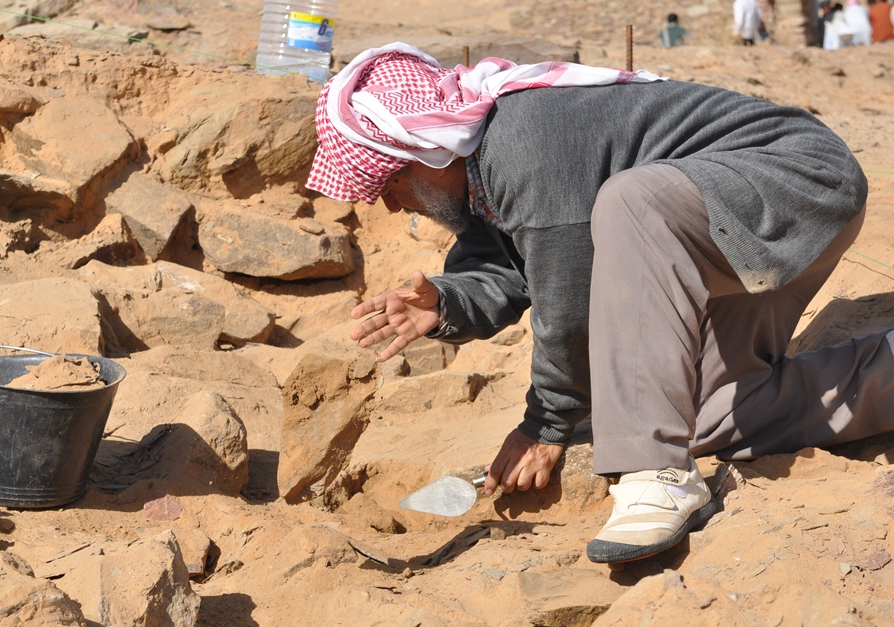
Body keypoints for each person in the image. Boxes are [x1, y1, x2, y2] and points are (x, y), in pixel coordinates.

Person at [307, 43, 879, 564]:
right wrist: (448, 301)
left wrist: (547, 423)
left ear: (428, 153)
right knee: (710, 415)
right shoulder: (484, 164)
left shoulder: (522, 144)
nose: (388, 204)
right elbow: (508, 261)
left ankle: (655, 474)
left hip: (791, 179)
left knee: (633, 202)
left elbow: (570, 301)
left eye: (390, 182)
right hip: (721, 219)